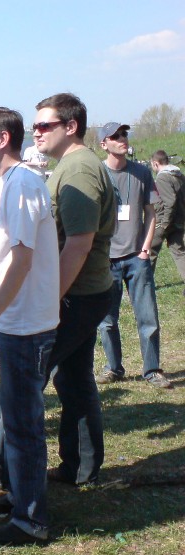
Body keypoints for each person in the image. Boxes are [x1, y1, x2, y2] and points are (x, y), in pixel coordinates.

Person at [0, 108, 60, 545]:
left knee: (23, 425)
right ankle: (20, 494)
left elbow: (21, 260)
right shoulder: (6, 182)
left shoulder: (21, 184)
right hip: (16, 319)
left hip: (26, 324)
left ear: (3, 139)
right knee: (17, 419)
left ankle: (30, 521)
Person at [34, 93, 116, 485]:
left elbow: (79, 244)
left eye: (44, 125)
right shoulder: (72, 165)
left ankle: (1, 471)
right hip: (83, 292)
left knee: (30, 378)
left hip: (75, 295)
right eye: (34, 126)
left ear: (70, 127)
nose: (36, 132)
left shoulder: (79, 169)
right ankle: (80, 468)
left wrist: (48, 302)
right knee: (75, 380)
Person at [95, 123, 171, 389]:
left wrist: (145, 249)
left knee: (148, 318)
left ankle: (152, 370)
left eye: (124, 134)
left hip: (137, 258)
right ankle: (113, 368)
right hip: (106, 260)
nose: (122, 139)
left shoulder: (141, 172)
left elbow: (150, 213)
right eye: (115, 136)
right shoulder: (97, 174)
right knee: (106, 321)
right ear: (103, 144)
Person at [149, 150, 185, 291]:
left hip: (164, 221)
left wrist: (164, 223)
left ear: (155, 163)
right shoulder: (179, 175)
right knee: (179, 253)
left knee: (150, 252)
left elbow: (170, 201)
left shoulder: (162, 178)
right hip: (178, 220)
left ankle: (146, 285)